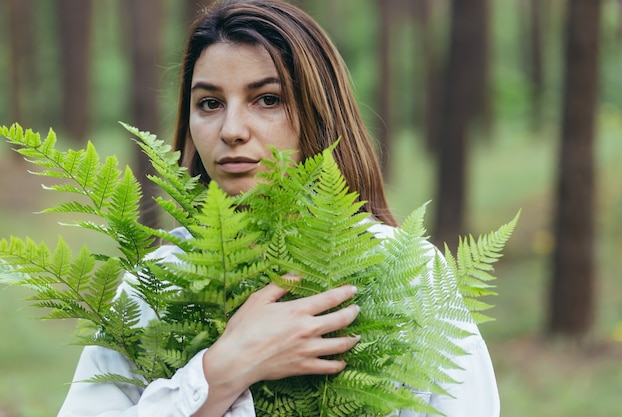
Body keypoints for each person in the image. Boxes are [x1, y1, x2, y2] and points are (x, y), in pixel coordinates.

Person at [57, 1, 500, 416]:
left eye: (267, 99)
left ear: (319, 113)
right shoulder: (153, 284)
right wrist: (218, 375)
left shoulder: (403, 270)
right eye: (209, 103)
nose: (231, 130)